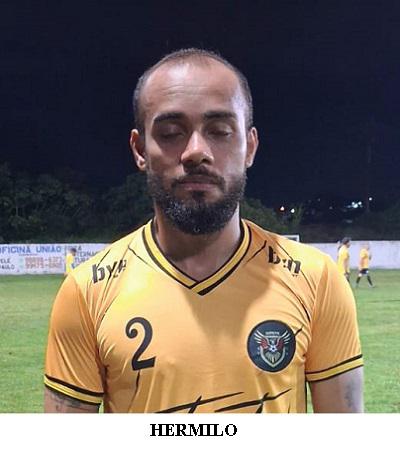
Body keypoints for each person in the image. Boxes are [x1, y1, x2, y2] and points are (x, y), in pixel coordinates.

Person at [44, 48, 364, 413]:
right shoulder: (86, 293)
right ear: (139, 149)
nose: (196, 151)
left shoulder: (316, 279)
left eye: (220, 131)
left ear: (250, 147)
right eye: (170, 133)